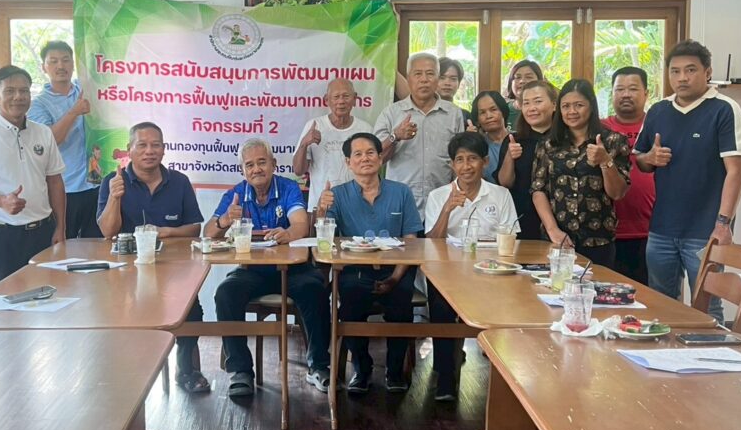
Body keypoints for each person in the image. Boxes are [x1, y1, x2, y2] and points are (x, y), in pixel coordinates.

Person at [634, 40, 741, 323]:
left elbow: (737, 171)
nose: (682, 78)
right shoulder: (658, 110)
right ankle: (666, 352)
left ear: (707, 72)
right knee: (661, 304)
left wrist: (723, 224)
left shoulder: (724, 109)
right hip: (662, 228)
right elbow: (640, 161)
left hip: (706, 230)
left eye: (690, 70)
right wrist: (651, 157)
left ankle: (712, 354)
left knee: (706, 307)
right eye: (675, 71)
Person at [206, 139, 330, 398]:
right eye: (249, 165)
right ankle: (241, 370)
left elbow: (301, 225)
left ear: (273, 164)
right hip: (252, 271)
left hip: (294, 270)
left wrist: (288, 233)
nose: (256, 169)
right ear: (242, 170)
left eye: (262, 162)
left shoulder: (288, 187)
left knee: (315, 288)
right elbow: (208, 234)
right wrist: (225, 219)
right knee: (225, 294)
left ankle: (318, 366)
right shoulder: (235, 194)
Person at [96, 122, 209, 393]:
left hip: (173, 270)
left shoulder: (179, 181)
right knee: (118, 313)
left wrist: (166, 232)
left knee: (193, 312)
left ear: (164, 149)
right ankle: (128, 372)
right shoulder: (113, 180)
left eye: (155, 145)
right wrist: (114, 197)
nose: (149, 151)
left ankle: (187, 370)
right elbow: (107, 232)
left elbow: (194, 228)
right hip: (126, 273)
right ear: (129, 149)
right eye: (142, 145)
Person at [316, 133, 423, 394]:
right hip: (356, 270)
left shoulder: (401, 192)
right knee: (350, 304)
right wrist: (321, 210)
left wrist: (395, 277)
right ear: (348, 162)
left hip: (396, 270)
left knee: (401, 304)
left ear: (380, 157)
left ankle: (394, 371)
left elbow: (411, 240)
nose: (365, 158)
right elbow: (324, 241)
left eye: (371, 152)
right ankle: (361, 369)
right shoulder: (337, 195)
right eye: (358, 154)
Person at [425, 132, 519, 400]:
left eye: (473, 159)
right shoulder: (438, 196)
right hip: (447, 273)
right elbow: (431, 243)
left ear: (485, 162)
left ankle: (503, 381)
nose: (466, 166)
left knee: (510, 305)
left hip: (491, 273)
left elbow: (510, 240)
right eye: (460, 160)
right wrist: (447, 210)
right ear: (452, 165)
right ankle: (445, 377)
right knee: (441, 307)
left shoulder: (500, 195)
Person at [0, 65, 67, 290]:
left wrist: (61, 227)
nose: (18, 97)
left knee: (47, 298)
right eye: (10, 91)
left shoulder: (43, 132)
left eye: (24, 91)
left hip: (42, 233)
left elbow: (55, 181)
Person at [531, 79, 631, 267]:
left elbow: (617, 193)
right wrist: (553, 230)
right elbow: (538, 189)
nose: (572, 111)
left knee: (596, 284)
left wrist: (605, 161)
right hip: (557, 239)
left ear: (591, 106)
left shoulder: (613, 141)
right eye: (566, 106)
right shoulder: (548, 144)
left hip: (598, 240)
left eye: (579, 105)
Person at [27, 40, 101, 239]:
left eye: (66, 60)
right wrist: (74, 112)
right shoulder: (38, 105)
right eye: (53, 61)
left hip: (96, 183)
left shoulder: (86, 90)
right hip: (64, 188)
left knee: (96, 244)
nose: (61, 66)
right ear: (44, 67)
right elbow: (50, 140)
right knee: (63, 246)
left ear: (73, 64)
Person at [374, 53, 464, 216]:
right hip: (400, 203)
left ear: (437, 78)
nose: (424, 80)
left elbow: (460, 159)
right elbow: (376, 159)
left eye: (430, 74)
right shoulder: (391, 113)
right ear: (408, 78)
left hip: (443, 202)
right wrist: (395, 136)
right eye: (418, 74)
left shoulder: (453, 114)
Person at [602, 66, 656, 284]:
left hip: (652, 232)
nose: (625, 94)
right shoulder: (600, 129)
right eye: (619, 89)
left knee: (652, 296)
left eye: (633, 89)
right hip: (607, 233)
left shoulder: (658, 126)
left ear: (646, 93)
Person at [292, 78, 371, 211]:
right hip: (321, 207)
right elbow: (298, 171)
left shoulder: (365, 129)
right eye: (336, 97)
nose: (341, 101)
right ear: (327, 100)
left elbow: (372, 171)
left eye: (346, 96)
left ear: (354, 99)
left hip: (356, 208)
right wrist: (304, 144)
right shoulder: (315, 126)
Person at [497, 80, 559, 240]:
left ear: (554, 105)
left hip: (560, 218)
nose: (532, 108)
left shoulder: (565, 140)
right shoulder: (514, 140)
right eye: (526, 103)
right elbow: (505, 183)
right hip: (523, 218)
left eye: (538, 101)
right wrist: (510, 156)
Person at [468, 90, 511, 183]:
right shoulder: (479, 145)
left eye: (493, 109)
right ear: (477, 119)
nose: (488, 116)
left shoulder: (519, 140)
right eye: (482, 112)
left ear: (503, 111)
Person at [504, 60, 543, 130]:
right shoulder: (502, 111)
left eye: (529, 77)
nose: (522, 81)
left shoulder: (546, 110)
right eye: (518, 77)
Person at [437, 57, 472, 128]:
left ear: (459, 83)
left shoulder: (465, 116)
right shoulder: (422, 113)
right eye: (442, 78)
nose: (447, 83)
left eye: (453, 79)